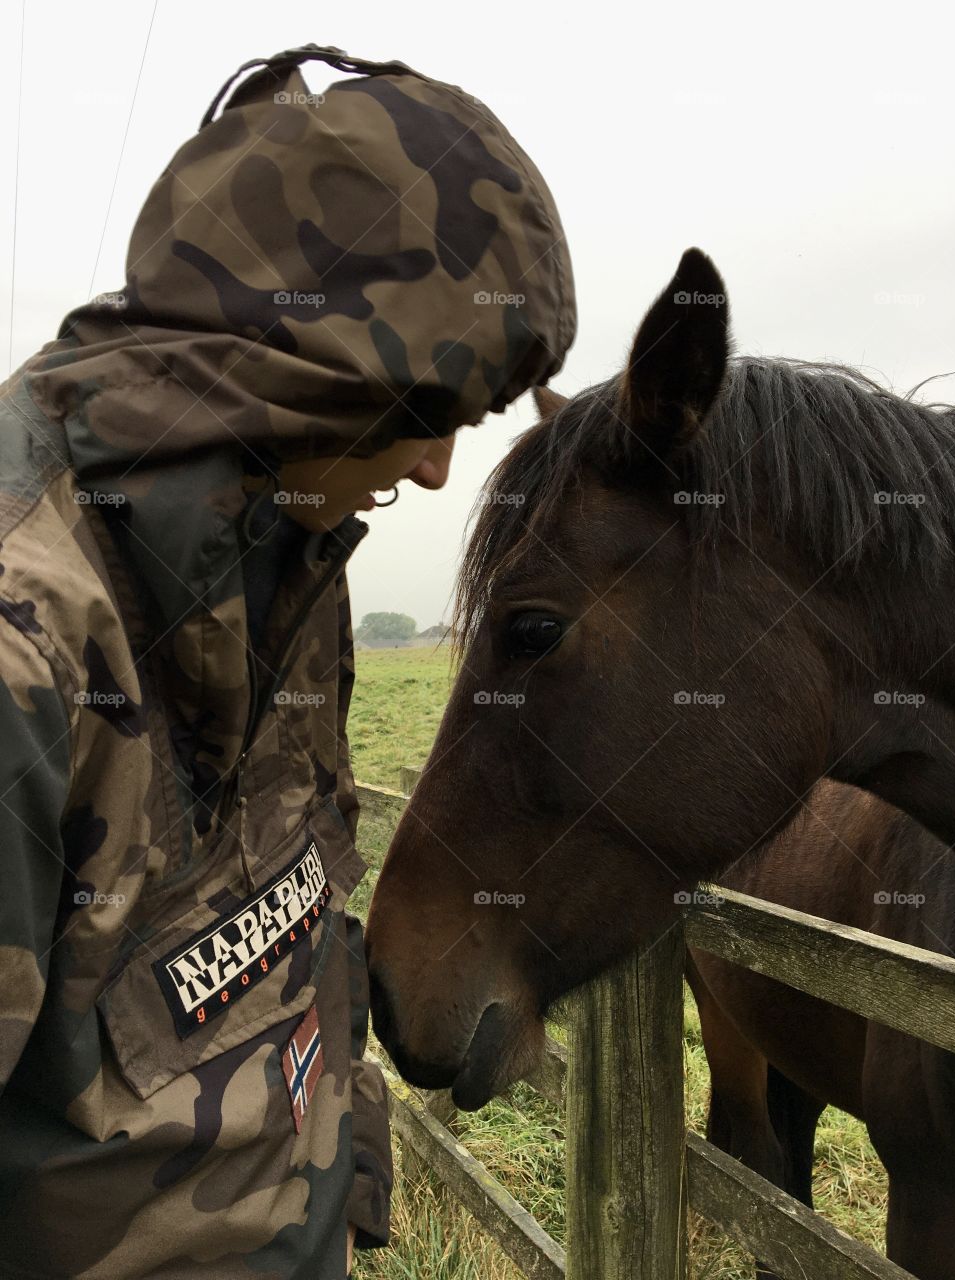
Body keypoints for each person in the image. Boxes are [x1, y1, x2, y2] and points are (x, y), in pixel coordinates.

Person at [0, 42, 575, 1280]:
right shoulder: (28, 644)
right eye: (425, 412)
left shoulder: (294, 539)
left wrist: (346, 1175)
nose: (434, 470)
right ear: (294, 367)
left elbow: (306, 904)